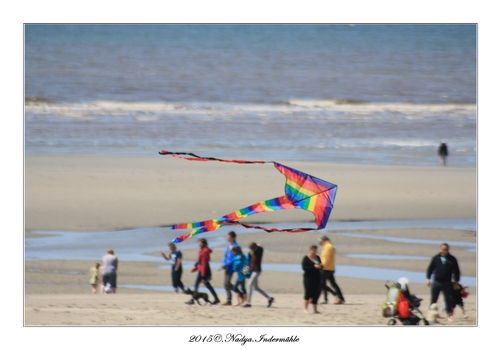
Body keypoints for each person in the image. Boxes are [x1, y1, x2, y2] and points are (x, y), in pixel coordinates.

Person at [426, 243, 460, 321]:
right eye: (443, 249)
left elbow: (456, 271)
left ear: (448, 250)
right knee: (434, 299)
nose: (444, 251)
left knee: (448, 299)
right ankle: (431, 314)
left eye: (446, 250)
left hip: (447, 282)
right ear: (440, 249)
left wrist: (456, 282)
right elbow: (430, 269)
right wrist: (428, 279)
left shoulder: (452, 259)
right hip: (437, 282)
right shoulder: (436, 258)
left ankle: (450, 315)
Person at [186, 238, 220, 305]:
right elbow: (199, 262)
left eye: (200, 243)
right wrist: (195, 268)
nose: (198, 244)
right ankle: (216, 298)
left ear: (204, 243)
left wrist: (203, 273)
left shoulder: (204, 251)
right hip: (201, 269)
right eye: (198, 243)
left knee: (203, 285)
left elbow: (204, 262)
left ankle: (193, 299)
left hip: (203, 270)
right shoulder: (202, 250)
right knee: (204, 285)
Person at [243, 242, 274, 308]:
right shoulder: (250, 254)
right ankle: (269, 298)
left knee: (249, 284)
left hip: (257, 270)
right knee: (256, 288)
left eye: (251, 248)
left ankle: (248, 303)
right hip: (253, 271)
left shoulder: (258, 253)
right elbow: (248, 262)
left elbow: (260, 249)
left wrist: (257, 245)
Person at [318, 235, 345, 304]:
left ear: (323, 241)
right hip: (330, 268)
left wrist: (321, 266)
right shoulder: (328, 246)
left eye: (320, 241)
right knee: (332, 284)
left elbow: (326, 259)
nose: (320, 242)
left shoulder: (328, 247)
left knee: (321, 284)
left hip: (326, 268)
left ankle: (335, 295)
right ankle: (327, 299)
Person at [301, 244, 323, 314]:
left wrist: (320, 266)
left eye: (315, 250)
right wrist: (314, 267)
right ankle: (305, 309)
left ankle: (315, 310)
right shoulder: (306, 258)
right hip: (308, 278)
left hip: (317, 278)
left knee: (315, 294)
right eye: (313, 250)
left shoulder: (318, 258)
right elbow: (304, 268)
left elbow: (321, 266)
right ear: (310, 250)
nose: (314, 251)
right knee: (308, 293)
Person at [221, 231, 240, 306]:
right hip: (226, 266)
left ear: (233, 237)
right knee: (226, 283)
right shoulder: (228, 245)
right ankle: (230, 299)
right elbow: (225, 255)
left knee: (227, 283)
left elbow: (235, 258)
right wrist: (223, 263)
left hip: (231, 267)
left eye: (229, 237)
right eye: (227, 237)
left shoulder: (237, 245)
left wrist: (227, 264)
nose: (227, 238)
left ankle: (236, 294)